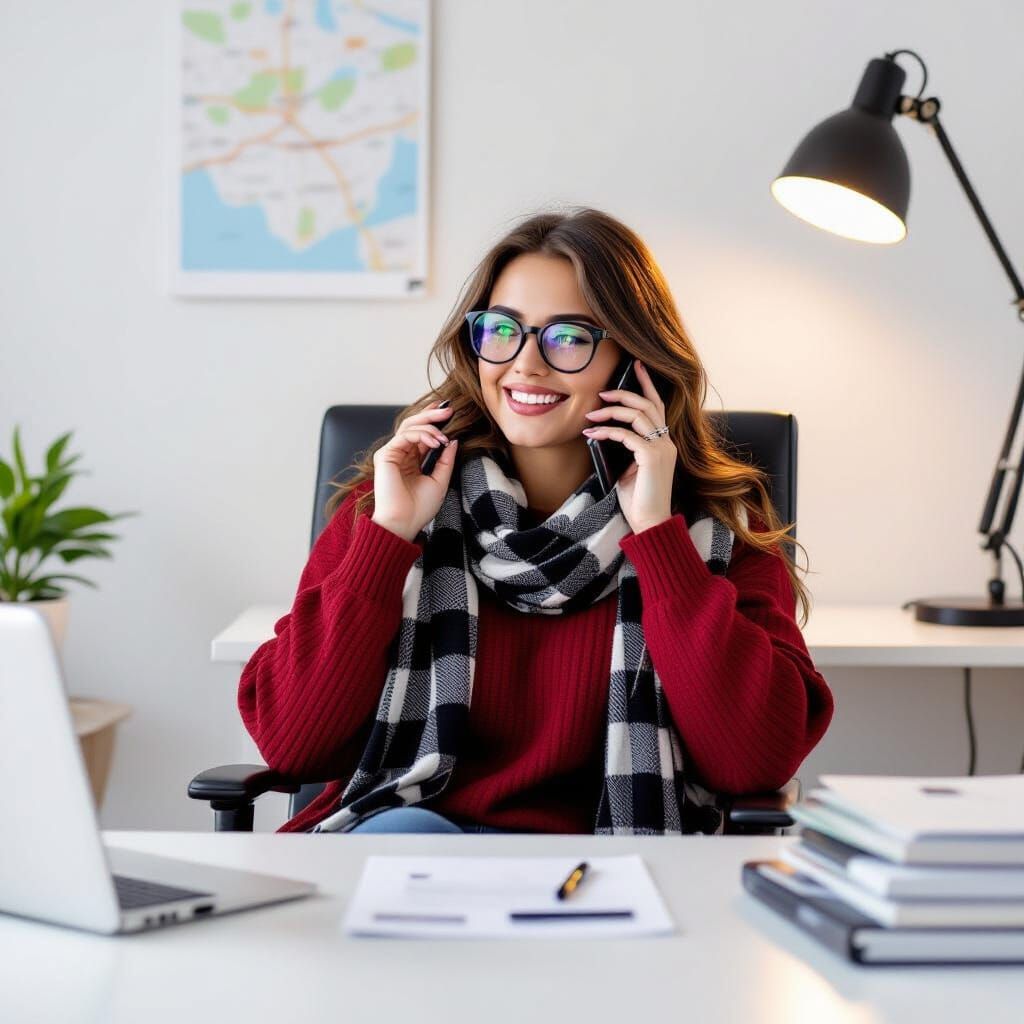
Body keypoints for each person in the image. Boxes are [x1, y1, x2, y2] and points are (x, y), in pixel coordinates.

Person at [238, 207, 834, 836]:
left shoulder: (714, 530)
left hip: (614, 866)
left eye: (569, 337)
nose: (523, 364)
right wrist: (388, 538)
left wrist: (658, 537)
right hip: (419, 843)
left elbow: (754, 763)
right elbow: (293, 748)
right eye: (502, 329)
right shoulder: (392, 506)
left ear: (634, 361)